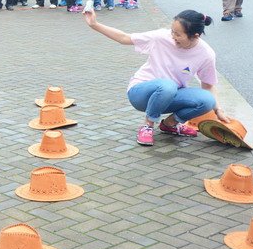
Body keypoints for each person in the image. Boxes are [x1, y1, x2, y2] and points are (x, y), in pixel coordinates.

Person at [84, 8, 227, 146]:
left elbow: (208, 85)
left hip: (169, 96)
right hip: (141, 93)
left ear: (195, 36)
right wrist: (94, 24)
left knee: (207, 101)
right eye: (172, 31)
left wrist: (218, 110)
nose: (173, 36)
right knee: (168, 86)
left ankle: (170, 124)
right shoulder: (161, 37)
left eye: (178, 34)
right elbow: (124, 38)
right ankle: (148, 126)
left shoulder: (206, 54)